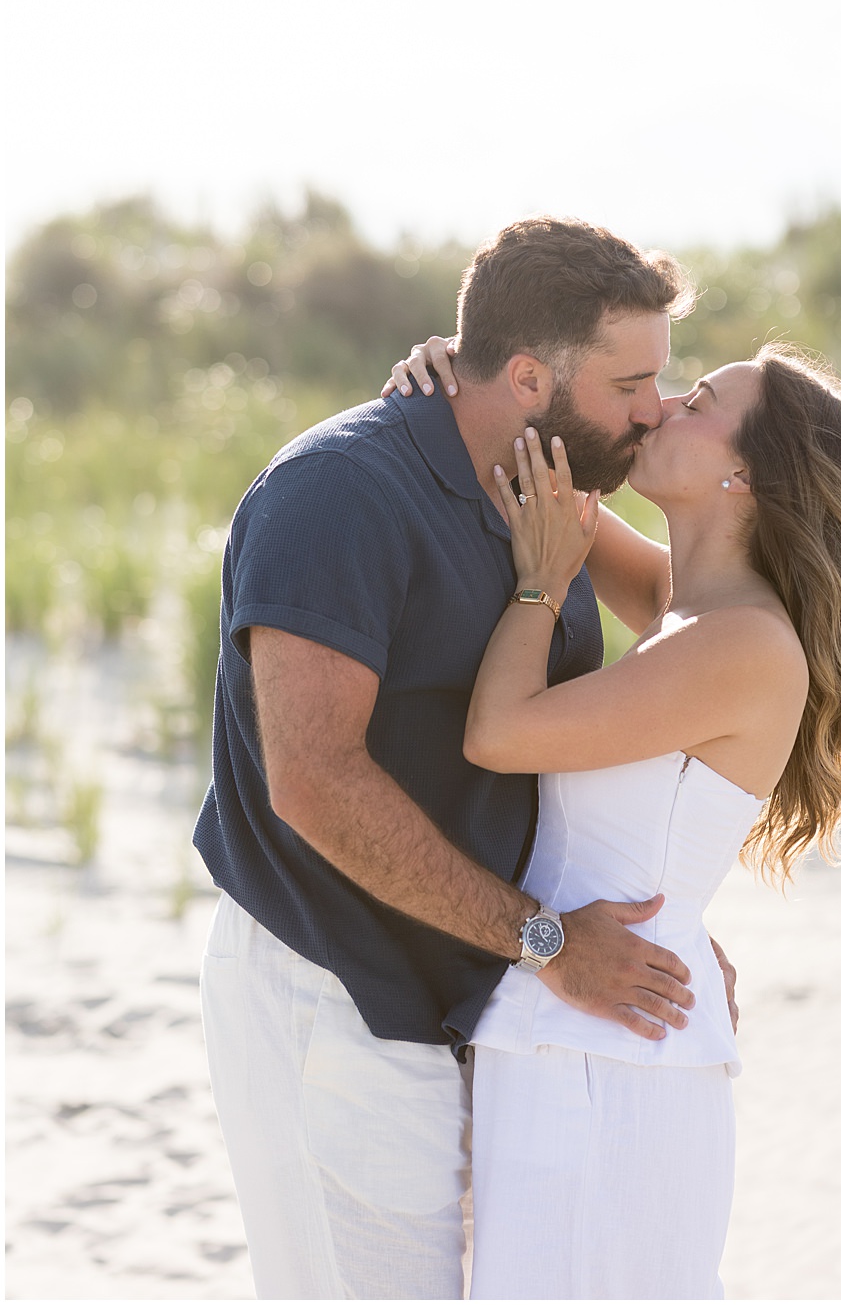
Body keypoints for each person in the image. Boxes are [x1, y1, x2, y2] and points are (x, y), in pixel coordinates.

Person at [195, 217, 721, 1298]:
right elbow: (313, 779)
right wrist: (543, 938)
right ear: (528, 375)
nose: (654, 408)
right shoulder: (335, 495)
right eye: (633, 382)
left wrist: (653, 918)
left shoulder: (548, 484)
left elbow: (700, 617)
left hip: (492, 994)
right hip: (338, 991)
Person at [385, 334, 841, 1296]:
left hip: (613, 1056)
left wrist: (540, 586)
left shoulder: (740, 642)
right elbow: (523, 477)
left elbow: (498, 731)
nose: (660, 409)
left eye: (696, 402)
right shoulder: (682, 602)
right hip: (574, 1024)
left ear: (747, 470)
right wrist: (464, 368)